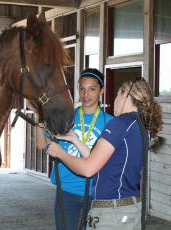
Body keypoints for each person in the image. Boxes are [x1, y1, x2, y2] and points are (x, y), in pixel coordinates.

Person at [46, 78, 163, 230]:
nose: (113, 101)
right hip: (128, 209)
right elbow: (100, 161)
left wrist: (61, 153)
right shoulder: (140, 126)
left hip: (112, 214)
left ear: (125, 95)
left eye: (116, 95)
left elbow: (88, 169)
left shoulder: (120, 123)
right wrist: (75, 139)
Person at [35, 68, 113, 230]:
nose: (85, 94)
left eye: (92, 89)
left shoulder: (110, 123)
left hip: (97, 193)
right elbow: (42, 144)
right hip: (67, 191)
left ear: (102, 91)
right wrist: (40, 118)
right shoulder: (67, 118)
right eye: (81, 89)